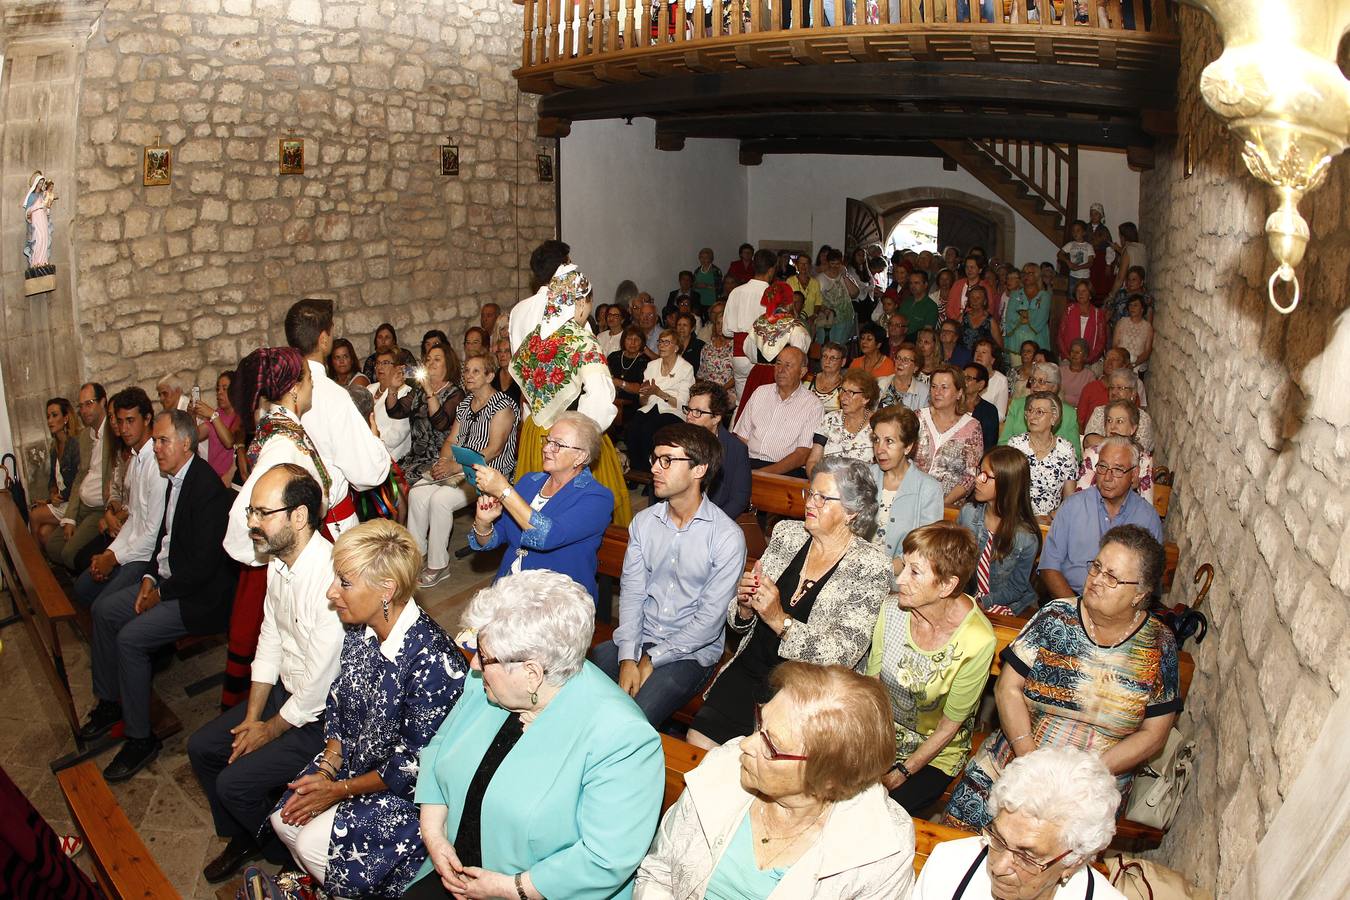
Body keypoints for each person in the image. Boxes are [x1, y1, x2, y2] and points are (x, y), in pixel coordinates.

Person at [409, 570, 664, 900]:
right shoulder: (487, 684)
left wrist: (508, 888)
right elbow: (440, 747)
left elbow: (604, 859)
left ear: (531, 674)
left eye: (484, 656)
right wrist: (433, 833)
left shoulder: (623, 740)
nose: (473, 665)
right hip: (454, 872)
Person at [268, 520, 468, 898]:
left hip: (407, 796)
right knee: (284, 820)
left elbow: (411, 768)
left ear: (385, 590)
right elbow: (339, 701)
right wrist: (327, 769)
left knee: (312, 843)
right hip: (351, 766)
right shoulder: (360, 629)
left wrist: (338, 790)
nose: (331, 593)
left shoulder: (434, 662)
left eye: (344, 583)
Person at [944, 526, 1180, 833]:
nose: (1096, 579)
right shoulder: (1056, 617)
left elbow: (1154, 734)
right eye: (1096, 567)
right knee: (958, 844)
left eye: (1112, 577)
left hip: (1089, 789)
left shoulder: (1159, 645)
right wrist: (1030, 759)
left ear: (1140, 594)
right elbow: (1008, 687)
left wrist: (1083, 774)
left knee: (1042, 863)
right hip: (1015, 762)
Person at [637, 662, 916, 898]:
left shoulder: (881, 848)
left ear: (829, 779)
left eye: (772, 746)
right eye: (760, 723)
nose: (746, 744)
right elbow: (659, 872)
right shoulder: (724, 766)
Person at [188, 466, 344, 883]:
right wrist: (252, 719)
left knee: (232, 784)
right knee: (202, 748)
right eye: (251, 513)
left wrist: (268, 731)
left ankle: (284, 855)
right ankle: (245, 834)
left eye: (262, 513)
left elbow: (317, 689)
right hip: (283, 698)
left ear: (299, 516)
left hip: (321, 720)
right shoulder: (277, 562)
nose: (253, 523)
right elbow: (269, 641)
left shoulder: (329, 577)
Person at [687, 457, 891, 749]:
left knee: (763, 768)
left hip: (805, 692)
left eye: (823, 498)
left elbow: (843, 654)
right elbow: (737, 620)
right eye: (811, 493)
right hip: (750, 670)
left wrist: (779, 620)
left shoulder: (871, 567)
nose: (811, 503)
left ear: (852, 512)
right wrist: (745, 606)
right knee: (698, 746)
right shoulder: (788, 535)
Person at [78, 410, 236, 781]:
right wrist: (149, 578)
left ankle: (141, 738)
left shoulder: (207, 489)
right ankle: (111, 701)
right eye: (155, 441)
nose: (156, 447)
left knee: (131, 639)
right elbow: (162, 545)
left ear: (185, 444)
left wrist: (160, 591)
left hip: (199, 599)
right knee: (104, 609)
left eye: (163, 441)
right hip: (170, 583)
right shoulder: (173, 480)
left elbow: (202, 567)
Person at [593, 423, 746, 725]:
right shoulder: (645, 523)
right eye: (654, 459)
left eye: (667, 460)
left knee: (632, 720)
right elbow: (633, 594)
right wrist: (628, 656)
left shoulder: (726, 536)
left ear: (699, 469)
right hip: (641, 637)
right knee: (576, 688)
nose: (654, 468)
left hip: (691, 653)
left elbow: (708, 622)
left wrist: (649, 659)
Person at [867, 523, 995, 814]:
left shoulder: (977, 640)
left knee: (885, 814)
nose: (899, 579)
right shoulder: (892, 610)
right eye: (904, 565)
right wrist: (871, 753)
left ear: (947, 585)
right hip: (881, 734)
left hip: (935, 752)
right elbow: (872, 686)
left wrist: (900, 773)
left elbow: (949, 726)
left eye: (914, 572)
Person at [916, 748, 1129, 900]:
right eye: (998, 839)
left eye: (1027, 856)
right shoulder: (948, 866)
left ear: (1073, 862)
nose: (998, 868)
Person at [512, 263, 633, 527]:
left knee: (534, 511)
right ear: (580, 304)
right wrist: (581, 440)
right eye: (590, 303)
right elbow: (600, 398)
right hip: (570, 439)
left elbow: (523, 383)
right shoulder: (581, 340)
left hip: (536, 436)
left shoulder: (535, 338)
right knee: (584, 516)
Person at [468, 411, 613, 599]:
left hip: (557, 600)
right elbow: (492, 540)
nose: (546, 449)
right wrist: (483, 523)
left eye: (558, 444)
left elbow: (546, 536)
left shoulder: (597, 498)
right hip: (509, 589)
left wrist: (504, 491)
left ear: (580, 457)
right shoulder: (530, 482)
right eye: (548, 440)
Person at [407, 352, 520, 587]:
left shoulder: (503, 406)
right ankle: (415, 556)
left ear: (490, 376)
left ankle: (439, 566)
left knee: (440, 500)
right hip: (460, 469)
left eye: (476, 371)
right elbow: (452, 439)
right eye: (467, 370)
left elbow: (494, 449)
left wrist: (455, 466)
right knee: (416, 492)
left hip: (488, 473)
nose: (468, 375)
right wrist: (442, 462)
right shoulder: (466, 404)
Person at [286, 300, 393, 540]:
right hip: (333, 524)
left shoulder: (277, 392)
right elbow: (368, 474)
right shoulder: (333, 396)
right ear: (324, 339)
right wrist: (374, 440)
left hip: (290, 526)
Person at [1038, 438, 1163, 600]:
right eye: (1102, 467)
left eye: (1118, 470)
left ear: (1134, 474)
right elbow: (1049, 567)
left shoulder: (1147, 518)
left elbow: (1150, 582)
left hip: (1120, 610)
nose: (1107, 477)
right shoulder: (1073, 506)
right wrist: (1075, 610)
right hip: (1070, 600)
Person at [74, 388, 160, 608]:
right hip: (130, 548)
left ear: (148, 418)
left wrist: (112, 559)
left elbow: (152, 535)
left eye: (130, 421)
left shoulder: (157, 463)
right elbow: (132, 518)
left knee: (102, 608)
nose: (123, 429)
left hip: (148, 557)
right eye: (120, 421)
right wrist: (109, 554)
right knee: (81, 589)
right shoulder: (135, 459)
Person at [958, 447, 1042, 616]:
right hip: (969, 595)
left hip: (1009, 602)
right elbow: (955, 561)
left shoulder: (1026, 537)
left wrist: (985, 601)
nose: (977, 480)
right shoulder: (968, 514)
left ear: (1007, 483)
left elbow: (1017, 588)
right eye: (979, 472)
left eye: (986, 476)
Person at [869, 404, 944, 574]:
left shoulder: (928, 489)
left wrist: (889, 568)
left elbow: (926, 547)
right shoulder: (865, 476)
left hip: (901, 580)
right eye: (876, 440)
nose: (879, 449)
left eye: (889, 441)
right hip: (857, 571)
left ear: (908, 446)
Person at [45, 383, 111, 572]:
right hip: (81, 506)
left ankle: (86, 578)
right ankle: (80, 572)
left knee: (68, 554)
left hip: (100, 508)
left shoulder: (113, 433)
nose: (83, 410)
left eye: (89, 403)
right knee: (53, 546)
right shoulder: (85, 436)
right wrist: (70, 518)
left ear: (103, 402)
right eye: (80, 406)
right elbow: (79, 478)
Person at [732, 346, 824, 479]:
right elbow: (741, 438)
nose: (781, 370)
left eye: (788, 365)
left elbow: (803, 454)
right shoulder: (760, 393)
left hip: (785, 471)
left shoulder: (813, 405)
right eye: (778, 363)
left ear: (802, 372)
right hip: (748, 464)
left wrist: (764, 473)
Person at [383, 343, 463, 485]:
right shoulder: (419, 391)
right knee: (386, 476)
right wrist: (392, 388)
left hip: (438, 459)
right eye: (428, 359)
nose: (431, 363)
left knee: (401, 483)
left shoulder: (455, 393)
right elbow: (395, 411)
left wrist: (428, 389)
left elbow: (441, 423)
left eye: (437, 359)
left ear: (448, 364)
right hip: (415, 456)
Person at [625, 328, 696, 471]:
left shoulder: (686, 368)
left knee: (648, 429)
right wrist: (645, 394)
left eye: (666, 342)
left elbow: (682, 403)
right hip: (650, 407)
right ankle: (636, 468)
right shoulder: (652, 366)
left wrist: (658, 392)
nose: (661, 345)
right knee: (632, 428)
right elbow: (643, 402)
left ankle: (651, 471)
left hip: (673, 411)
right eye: (660, 342)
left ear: (676, 347)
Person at [738, 281, 814, 409]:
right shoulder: (795, 327)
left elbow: (748, 350)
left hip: (758, 374)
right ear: (789, 303)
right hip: (784, 375)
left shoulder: (758, 324)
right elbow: (798, 356)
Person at [915, 365, 983, 507]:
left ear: (959, 393)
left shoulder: (971, 427)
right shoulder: (918, 418)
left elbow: (970, 476)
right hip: (913, 497)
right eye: (934, 386)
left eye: (944, 387)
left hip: (949, 505)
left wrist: (943, 504)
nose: (937, 392)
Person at [1007, 392, 1079, 521]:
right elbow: (1005, 488)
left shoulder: (1066, 450)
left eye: (1039, 412)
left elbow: (1070, 499)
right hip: (1016, 519)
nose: (1032, 416)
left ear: (1053, 418)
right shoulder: (1015, 445)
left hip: (1048, 522)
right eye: (1030, 410)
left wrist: (1051, 517)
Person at [684, 380, 750, 519]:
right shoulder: (675, 443)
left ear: (716, 417)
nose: (689, 416)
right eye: (689, 410)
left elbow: (739, 499)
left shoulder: (735, 449)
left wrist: (713, 523)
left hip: (716, 520)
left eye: (697, 412)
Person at [723, 248, 778, 403]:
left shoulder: (736, 292)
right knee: (763, 403)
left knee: (743, 403)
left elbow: (726, 331)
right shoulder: (773, 294)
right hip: (763, 356)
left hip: (739, 354)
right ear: (771, 269)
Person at [1077, 401, 1155, 506]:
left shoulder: (1143, 461)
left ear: (1133, 428)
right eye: (1109, 420)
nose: (1112, 426)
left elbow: (1147, 505)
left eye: (1119, 421)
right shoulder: (1093, 454)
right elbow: (1081, 496)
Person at [998, 363, 1082, 458]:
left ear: (1054, 387)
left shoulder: (1069, 413)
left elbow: (1076, 454)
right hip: (1018, 464)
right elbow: (1003, 444)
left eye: (1041, 381)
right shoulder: (1017, 406)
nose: (1035, 385)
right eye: (1033, 380)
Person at [27, 397, 80, 545]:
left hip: (73, 502)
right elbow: (52, 480)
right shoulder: (54, 447)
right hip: (61, 501)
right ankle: (50, 565)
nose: (50, 421)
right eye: (48, 416)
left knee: (34, 515)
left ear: (66, 418)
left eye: (54, 415)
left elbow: (79, 481)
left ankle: (33, 563)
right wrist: (52, 494)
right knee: (44, 532)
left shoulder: (75, 444)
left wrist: (55, 499)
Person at [807, 369, 879, 476]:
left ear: (866, 398)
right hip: (828, 485)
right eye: (843, 390)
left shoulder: (878, 424)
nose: (843, 397)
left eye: (851, 393)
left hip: (861, 488)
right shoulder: (830, 419)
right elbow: (813, 461)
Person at [1082, 367, 1154, 453]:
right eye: (1111, 388)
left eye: (1120, 388)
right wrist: (1125, 444)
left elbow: (1138, 450)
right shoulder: (1100, 411)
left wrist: (1105, 442)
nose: (1114, 392)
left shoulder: (1143, 418)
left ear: (1133, 393)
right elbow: (1089, 441)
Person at [190, 370, 243, 483]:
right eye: (218, 389)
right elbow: (196, 436)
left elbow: (229, 442)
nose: (219, 393)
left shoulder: (240, 416)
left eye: (225, 389)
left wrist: (213, 415)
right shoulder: (219, 413)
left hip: (230, 480)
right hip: (213, 477)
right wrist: (192, 415)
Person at [368, 346, 414, 462]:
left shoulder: (406, 392)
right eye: (377, 363)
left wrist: (373, 447)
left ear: (397, 367)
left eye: (385, 363)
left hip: (391, 457)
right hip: (368, 450)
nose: (380, 367)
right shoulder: (369, 388)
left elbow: (397, 434)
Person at [1002, 266, 1051, 357]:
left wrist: (1024, 314)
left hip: (1037, 338)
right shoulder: (1015, 294)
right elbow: (1010, 316)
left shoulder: (1044, 296)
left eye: (1030, 273)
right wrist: (1027, 316)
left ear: (1037, 276)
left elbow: (1041, 317)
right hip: (1016, 339)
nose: (1026, 276)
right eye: (1024, 273)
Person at [814, 248, 860, 346]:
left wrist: (844, 276)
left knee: (840, 346)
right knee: (825, 345)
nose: (835, 267)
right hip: (826, 319)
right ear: (828, 262)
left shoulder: (845, 276)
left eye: (837, 264)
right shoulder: (820, 278)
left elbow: (855, 293)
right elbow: (816, 300)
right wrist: (824, 309)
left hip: (844, 318)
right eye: (832, 263)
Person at [1057, 281, 1107, 364]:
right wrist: (1068, 356)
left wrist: (1089, 359)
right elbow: (1060, 336)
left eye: (1084, 291)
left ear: (1090, 295)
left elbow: (1101, 340)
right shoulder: (1069, 310)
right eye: (1078, 291)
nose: (1080, 294)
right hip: (1068, 358)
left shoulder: (1098, 314)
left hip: (1090, 360)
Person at [697, 301, 735, 398]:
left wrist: (721, 390)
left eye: (724, 323)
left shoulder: (735, 347)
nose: (720, 327)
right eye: (718, 323)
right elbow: (701, 374)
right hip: (708, 390)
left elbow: (738, 376)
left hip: (727, 391)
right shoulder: (707, 347)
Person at [961, 364, 1001, 455]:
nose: (963, 381)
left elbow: (989, 445)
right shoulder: (952, 403)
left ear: (981, 384)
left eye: (968, 378)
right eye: (962, 377)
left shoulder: (989, 411)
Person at [1113, 294, 1153, 374]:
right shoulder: (1122, 322)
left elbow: (1147, 351)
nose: (1132, 308)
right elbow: (1115, 345)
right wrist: (1123, 362)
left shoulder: (1147, 327)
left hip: (1137, 365)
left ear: (1142, 309)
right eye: (1130, 305)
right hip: (1120, 363)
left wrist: (1133, 364)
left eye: (1135, 305)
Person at [1057, 220, 1094, 298]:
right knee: (1072, 296)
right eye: (1073, 231)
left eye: (1078, 230)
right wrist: (1068, 262)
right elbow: (1060, 254)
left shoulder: (1088, 246)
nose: (1075, 233)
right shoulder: (1070, 244)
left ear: (1084, 232)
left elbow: (1090, 262)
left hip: (1084, 277)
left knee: (1084, 297)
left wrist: (1078, 267)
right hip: (1073, 276)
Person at [972, 340, 1008, 420]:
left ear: (992, 360)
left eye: (984, 352)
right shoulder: (965, 375)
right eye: (976, 351)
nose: (978, 355)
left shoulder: (1001, 380)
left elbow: (1001, 415)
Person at [807, 341, 847, 413]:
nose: (827, 361)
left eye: (833, 358)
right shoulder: (807, 380)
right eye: (824, 356)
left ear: (843, 362)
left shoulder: (845, 387)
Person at [897, 268, 940, 335]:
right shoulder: (906, 301)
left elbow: (927, 332)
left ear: (925, 285)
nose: (913, 286)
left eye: (916, 283)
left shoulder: (931, 306)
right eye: (911, 283)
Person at [1058, 339, 1096, 408]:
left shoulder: (1090, 375)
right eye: (1072, 351)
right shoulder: (1060, 370)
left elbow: (1088, 398)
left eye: (1078, 352)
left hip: (1080, 409)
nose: (1074, 354)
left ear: (1085, 356)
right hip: (1060, 407)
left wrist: (1065, 397)